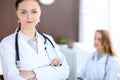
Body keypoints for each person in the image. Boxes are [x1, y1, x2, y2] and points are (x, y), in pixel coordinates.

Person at [0, 0, 69, 80]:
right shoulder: (6, 44)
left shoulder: (48, 39)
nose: (29, 17)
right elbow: (11, 77)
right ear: (17, 13)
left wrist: (34, 73)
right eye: (23, 12)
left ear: (40, 12)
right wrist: (50, 70)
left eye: (34, 11)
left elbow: (65, 71)